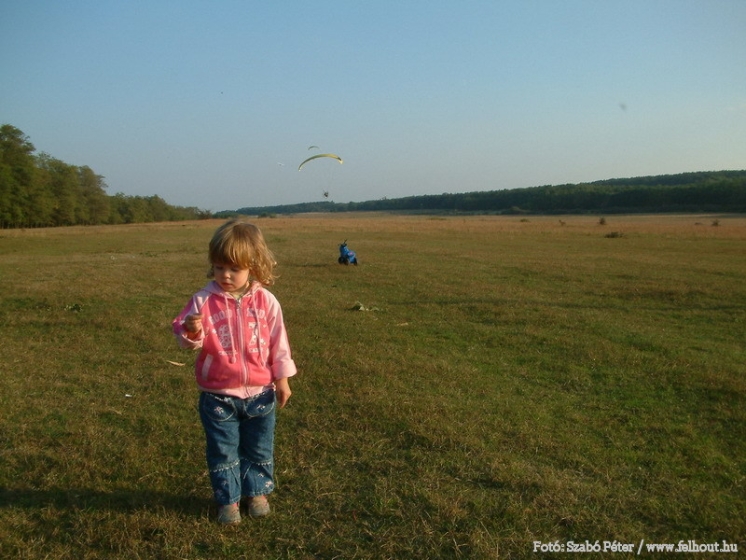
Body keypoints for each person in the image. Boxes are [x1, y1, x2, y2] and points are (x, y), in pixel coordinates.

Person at [172, 219, 296, 524]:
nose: (225, 275)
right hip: (218, 395)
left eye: (234, 268)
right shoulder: (203, 300)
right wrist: (191, 329)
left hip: (261, 394)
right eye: (218, 267)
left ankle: (257, 493)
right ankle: (228, 500)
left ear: (252, 266)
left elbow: (278, 342)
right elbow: (187, 341)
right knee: (223, 450)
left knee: (259, 448)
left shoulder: (266, 301)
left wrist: (282, 380)